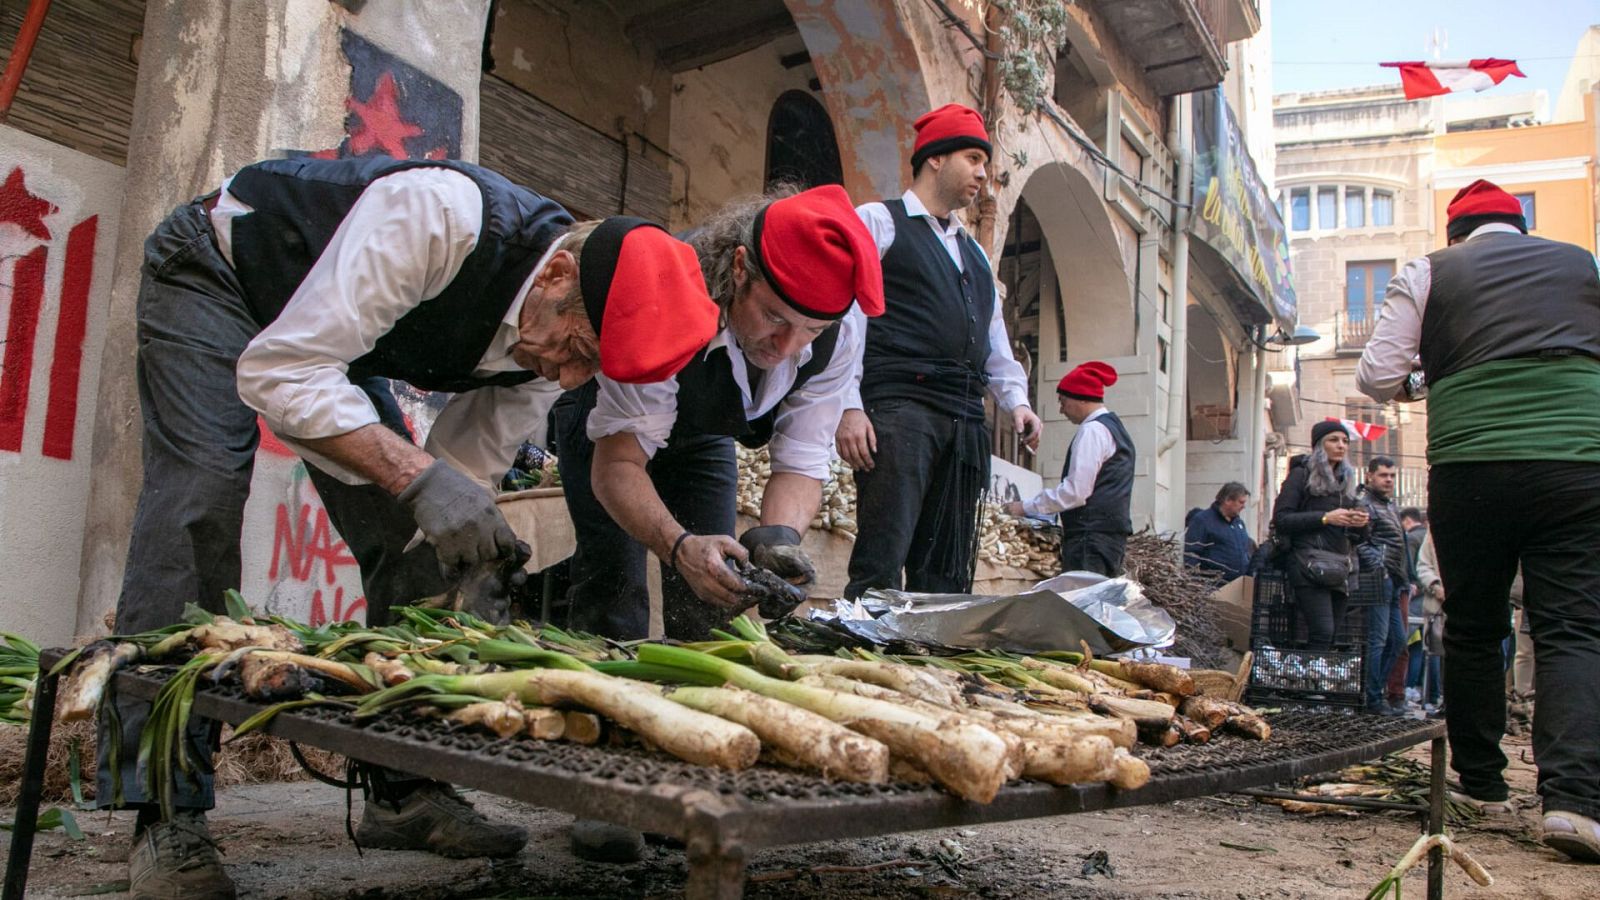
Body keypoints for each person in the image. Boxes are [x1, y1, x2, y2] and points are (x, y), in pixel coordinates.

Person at [102, 155, 721, 898]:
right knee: (197, 504)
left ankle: (405, 791)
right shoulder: (440, 217)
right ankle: (164, 812)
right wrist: (417, 479)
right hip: (224, 276)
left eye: (586, 371)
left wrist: (470, 558)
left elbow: (459, 474)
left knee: (419, 546)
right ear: (556, 277)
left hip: (330, 342)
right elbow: (282, 375)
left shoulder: (543, 351)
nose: (565, 379)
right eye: (576, 350)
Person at [1358, 178, 1600, 859]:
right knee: (1573, 628)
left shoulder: (1434, 269)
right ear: (1519, 225)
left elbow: (1377, 376)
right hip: (1579, 463)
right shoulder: (1583, 263)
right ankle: (1575, 803)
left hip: (1474, 466)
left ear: (1456, 233)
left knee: (1472, 626)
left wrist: (1421, 377)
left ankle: (1484, 782)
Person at [555, 184, 881, 643]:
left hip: (703, 435)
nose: (786, 347)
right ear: (740, 268)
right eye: (773, 317)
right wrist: (678, 546)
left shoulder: (839, 336)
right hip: (608, 424)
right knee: (615, 586)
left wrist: (779, 537)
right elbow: (619, 465)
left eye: (811, 329)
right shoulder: (670, 297)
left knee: (715, 599)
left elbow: (802, 457)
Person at [839, 104, 1043, 598]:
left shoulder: (972, 251)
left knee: (947, 570)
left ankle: (930, 669)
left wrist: (1016, 401)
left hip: (964, 423)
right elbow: (848, 319)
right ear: (935, 158)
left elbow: (993, 336)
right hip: (899, 410)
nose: (982, 175)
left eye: (985, 164)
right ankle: (862, 663)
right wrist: (847, 404)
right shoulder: (878, 221)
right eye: (973, 159)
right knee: (882, 558)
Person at [1002, 362, 1133, 576]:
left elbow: (1075, 493)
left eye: (1063, 401)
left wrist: (1024, 507)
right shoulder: (1115, 429)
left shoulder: (1093, 431)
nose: (1061, 409)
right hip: (1107, 538)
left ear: (1081, 398)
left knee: (1080, 605)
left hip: (1089, 540)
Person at [1270, 421, 1369, 651]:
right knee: (1322, 632)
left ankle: (1317, 681)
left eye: (1345, 441)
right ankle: (1311, 684)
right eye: (1333, 440)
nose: (1341, 446)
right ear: (1318, 445)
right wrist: (1325, 518)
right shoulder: (1300, 474)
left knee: (1332, 634)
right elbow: (1282, 519)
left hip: (1341, 568)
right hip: (1307, 565)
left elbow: (1359, 538)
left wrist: (1361, 524)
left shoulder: (1347, 483)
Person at [1355, 456, 1412, 715]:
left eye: (1391, 475)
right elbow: (1358, 541)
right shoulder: (1364, 504)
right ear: (1369, 476)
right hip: (1379, 579)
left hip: (1393, 580)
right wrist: (1379, 567)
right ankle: (1372, 698)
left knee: (1398, 641)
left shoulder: (1389, 506)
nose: (1388, 479)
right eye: (1383, 475)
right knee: (1378, 641)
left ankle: (1376, 694)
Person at [1183, 482, 1254, 581]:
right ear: (1228, 500)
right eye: (1241, 502)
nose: (1243, 506)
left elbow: (1245, 552)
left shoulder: (1239, 524)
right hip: (1213, 586)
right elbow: (1191, 554)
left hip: (1238, 585)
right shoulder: (1202, 520)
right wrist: (1197, 581)